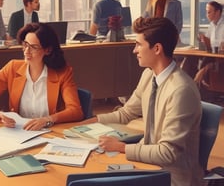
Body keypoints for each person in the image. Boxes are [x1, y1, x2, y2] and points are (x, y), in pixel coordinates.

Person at [80, 17, 203, 186]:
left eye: (138, 44)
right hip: (148, 166)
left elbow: (168, 153)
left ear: (157, 48)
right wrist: (91, 121)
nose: (134, 50)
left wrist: (121, 147)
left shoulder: (181, 90)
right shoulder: (149, 75)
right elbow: (127, 113)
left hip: (171, 178)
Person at [0, 22, 84, 130]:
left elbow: (75, 111)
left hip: (51, 133)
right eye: (25, 45)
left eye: (34, 47)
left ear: (48, 50)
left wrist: (48, 119)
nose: (27, 51)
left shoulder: (63, 73)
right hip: (20, 132)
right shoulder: (12, 68)